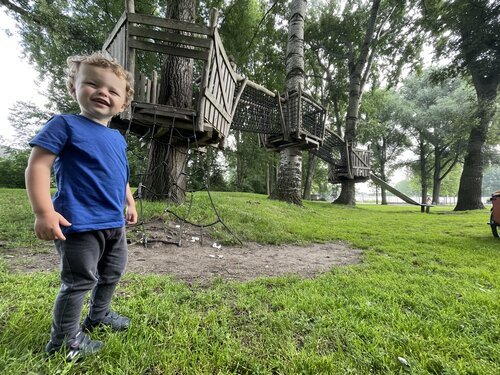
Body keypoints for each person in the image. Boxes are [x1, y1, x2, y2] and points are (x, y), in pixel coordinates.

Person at [25, 51, 138, 361]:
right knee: (79, 281)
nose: (103, 92)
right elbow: (38, 166)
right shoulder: (65, 125)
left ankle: (98, 315)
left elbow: (120, 174)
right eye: (92, 83)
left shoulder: (116, 138)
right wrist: (43, 211)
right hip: (78, 223)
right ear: (73, 87)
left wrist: (129, 202)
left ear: (122, 104)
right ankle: (63, 340)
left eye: (113, 90)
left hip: (113, 224)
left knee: (112, 272)